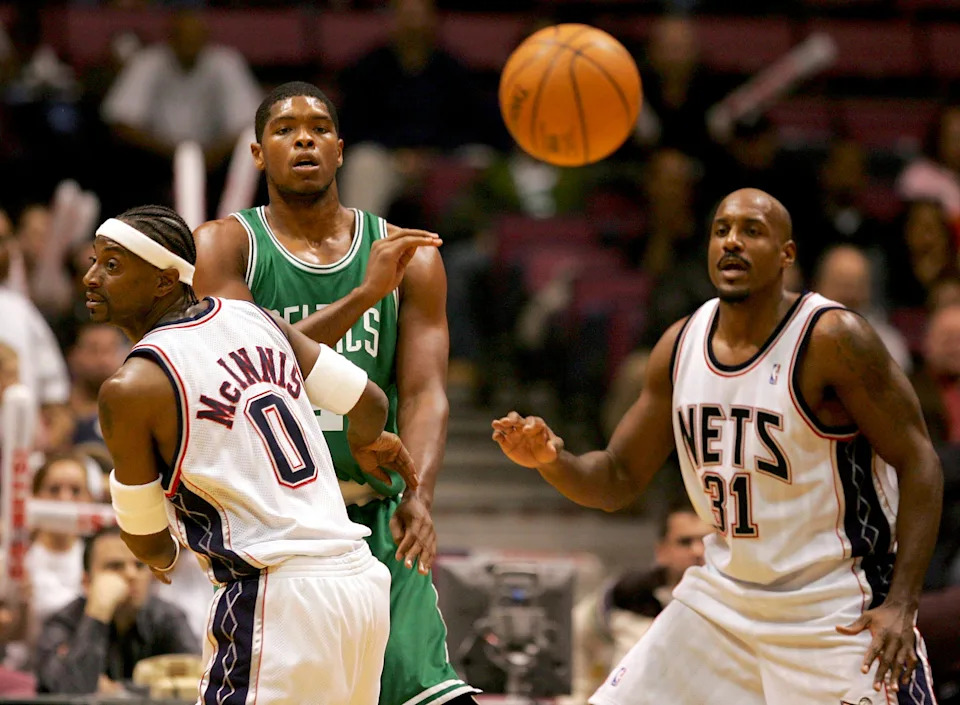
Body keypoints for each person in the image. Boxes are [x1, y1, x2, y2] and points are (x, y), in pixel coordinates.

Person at [492, 188, 944, 704]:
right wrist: (551, 459)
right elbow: (616, 478)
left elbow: (920, 461)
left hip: (834, 608)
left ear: (786, 255)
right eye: (722, 230)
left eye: (752, 231)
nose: (733, 242)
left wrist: (904, 602)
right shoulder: (680, 344)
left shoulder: (833, 339)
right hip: (723, 601)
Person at [192, 81, 479, 705]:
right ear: (258, 154)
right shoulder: (225, 246)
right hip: (277, 532)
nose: (303, 138)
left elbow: (427, 391)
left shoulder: (412, 258)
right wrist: (363, 297)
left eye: (319, 128)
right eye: (285, 129)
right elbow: (256, 357)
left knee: (430, 692)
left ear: (341, 150)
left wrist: (420, 495)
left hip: (375, 515)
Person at [87, 205, 419, 704]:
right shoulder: (251, 316)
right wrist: (364, 441)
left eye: (112, 265)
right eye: (94, 262)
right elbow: (370, 401)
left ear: (162, 281)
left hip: (277, 598)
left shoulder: (130, 386)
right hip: (360, 585)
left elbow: (147, 541)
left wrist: (168, 550)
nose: (91, 277)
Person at [571, 502, 711, 703]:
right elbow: (579, 629)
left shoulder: (736, 600)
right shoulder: (627, 595)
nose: (698, 551)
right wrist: (582, 692)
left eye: (707, 541)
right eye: (685, 542)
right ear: (661, 551)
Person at [35, 525, 198, 696]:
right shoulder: (63, 624)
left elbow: (196, 685)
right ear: (86, 582)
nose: (131, 574)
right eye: (115, 566)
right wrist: (97, 615)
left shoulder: (167, 618)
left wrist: (121, 692)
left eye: (139, 566)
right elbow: (71, 692)